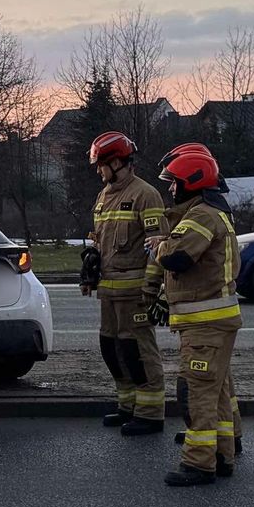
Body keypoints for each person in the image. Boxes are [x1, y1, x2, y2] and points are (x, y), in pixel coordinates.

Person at [151, 149, 243, 486]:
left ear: (192, 182)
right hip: (213, 321)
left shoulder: (200, 216)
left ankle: (198, 464)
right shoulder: (211, 213)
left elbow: (177, 257)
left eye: (175, 183)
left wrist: (157, 247)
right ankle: (221, 455)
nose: (171, 189)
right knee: (215, 393)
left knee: (196, 394)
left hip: (205, 324)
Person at [81, 131, 166, 436]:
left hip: (136, 294)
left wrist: (152, 288)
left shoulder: (146, 195)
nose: (98, 170)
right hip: (108, 292)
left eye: (101, 164)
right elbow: (101, 243)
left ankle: (151, 413)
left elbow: (159, 246)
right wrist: (90, 271)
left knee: (137, 351)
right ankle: (127, 405)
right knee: (111, 348)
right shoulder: (103, 197)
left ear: (117, 162)